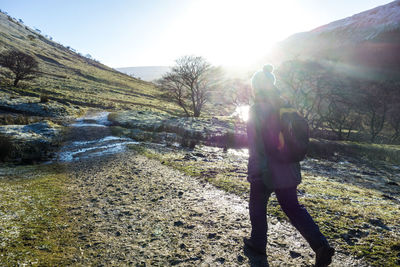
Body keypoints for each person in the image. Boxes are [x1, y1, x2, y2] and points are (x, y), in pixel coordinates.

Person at [244, 64, 335, 266]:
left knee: (257, 206)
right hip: (287, 168)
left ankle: (258, 243)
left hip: (266, 169)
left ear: (256, 87)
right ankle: (320, 246)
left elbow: (255, 145)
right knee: (293, 208)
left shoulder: (256, 109)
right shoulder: (285, 104)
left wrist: (255, 171)